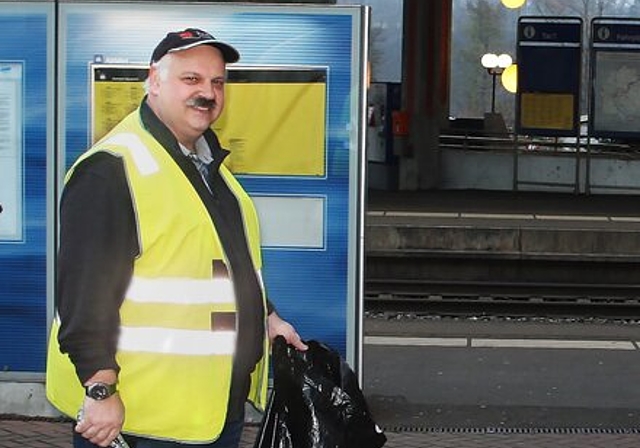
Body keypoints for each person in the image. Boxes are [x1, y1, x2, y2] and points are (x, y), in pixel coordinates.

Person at [46, 28, 308, 448]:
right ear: (154, 80)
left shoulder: (206, 166)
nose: (207, 92)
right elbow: (82, 294)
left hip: (211, 409)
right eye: (191, 79)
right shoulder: (111, 169)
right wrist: (99, 389)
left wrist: (266, 317)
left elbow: (216, 262)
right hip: (141, 419)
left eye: (217, 82)